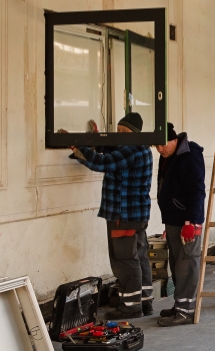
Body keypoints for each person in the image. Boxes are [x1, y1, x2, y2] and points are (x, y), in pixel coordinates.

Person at [68, 113, 154, 319]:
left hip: (122, 215)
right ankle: (144, 302)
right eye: (118, 130)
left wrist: (78, 148)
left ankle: (131, 307)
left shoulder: (131, 149)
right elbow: (113, 151)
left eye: (124, 131)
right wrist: (97, 139)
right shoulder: (141, 147)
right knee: (139, 257)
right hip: (135, 215)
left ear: (134, 134)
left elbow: (103, 163)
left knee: (124, 260)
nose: (119, 134)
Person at [154, 123, 206, 327]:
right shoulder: (169, 156)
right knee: (177, 263)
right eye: (155, 146)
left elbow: (197, 191)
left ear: (174, 139)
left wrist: (190, 222)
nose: (159, 149)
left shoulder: (189, 155)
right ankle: (180, 305)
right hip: (173, 220)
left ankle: (186, 310)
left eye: (162, 144)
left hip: (187, 222)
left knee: (187, 263)